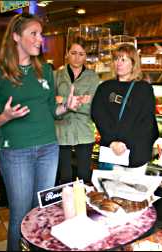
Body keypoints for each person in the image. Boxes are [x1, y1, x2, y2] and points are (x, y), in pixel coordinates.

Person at [0, 13, 80, 250]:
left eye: (41, 34)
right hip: (16, 153)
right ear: (15, 36)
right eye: (33, 34)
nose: (40, 40)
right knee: (21, 215)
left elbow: (49, 110)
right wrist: (5, 117)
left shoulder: (44, 70)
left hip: (48, 148)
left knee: (42, 212)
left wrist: (66, 106)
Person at [91, 44, 158, 174]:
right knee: (108, 192)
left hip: (136, 154)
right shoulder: (104, 87)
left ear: (133, 64)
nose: (118, 63)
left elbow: (146, 122)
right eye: (116, 59)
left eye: (123, 60)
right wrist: (112, 142)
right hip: (110, 154)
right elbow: (98, 115)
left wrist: (125, 143)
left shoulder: (144, 89)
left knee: (132, 192)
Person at [55, 37, 100, 184]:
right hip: (61, 131)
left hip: (84, 131)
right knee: (64, 175)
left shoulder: (92, 77)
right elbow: (51, 104)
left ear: (86, 56)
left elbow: (91, 106)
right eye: (73, 52)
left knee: (84, 175)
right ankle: (65, 206)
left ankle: (82, 206)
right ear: (67, 53)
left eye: (81, 54)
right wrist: (78, 100)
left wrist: (63, 100)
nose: (77, 57)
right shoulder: (56, 75)